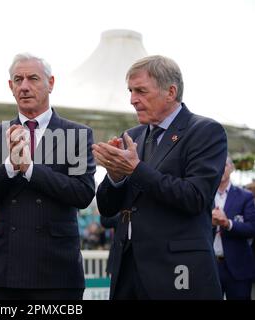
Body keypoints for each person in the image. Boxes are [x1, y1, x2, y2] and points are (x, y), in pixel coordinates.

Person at [93, 55, 227, 299]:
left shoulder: (205, 131)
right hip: (127, 271)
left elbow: (195, 197)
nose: (133, 99)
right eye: (131, 91)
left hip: (177, 273)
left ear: (171, 91)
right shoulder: (131, 135)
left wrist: (135, 169)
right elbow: (107, 208)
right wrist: (115, 176)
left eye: (141, 91)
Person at [0, 53, 96, 300]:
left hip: (57, 272)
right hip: (5, 272)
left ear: (50, 83)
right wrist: (9, 166)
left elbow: (83, 194)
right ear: (10, 86)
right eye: (18, 79)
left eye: (33, 78)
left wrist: (30, 169)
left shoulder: (78, 134)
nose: (24, 86)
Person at [212, 156, 255, 300]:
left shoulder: (245, 196)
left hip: (238, 267)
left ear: (232, 168)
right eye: (217, 164)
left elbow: (251, 228)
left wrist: (227, 223)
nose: (220, 168)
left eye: (224, 165)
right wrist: (209, 223)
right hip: (209, 265)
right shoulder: (204, 195)